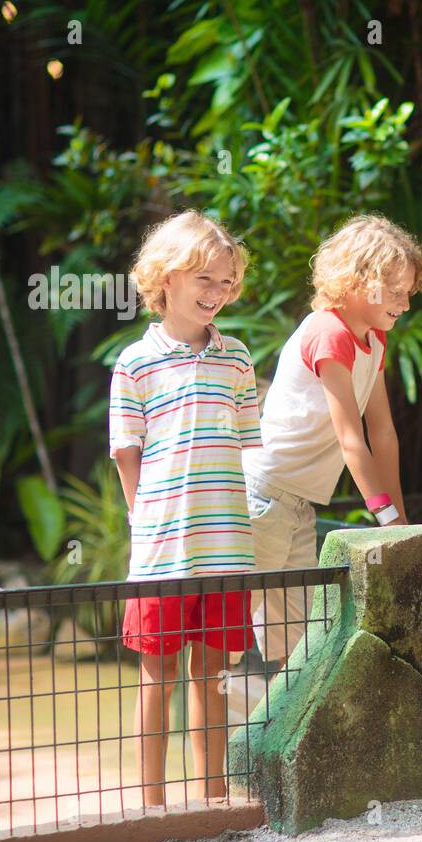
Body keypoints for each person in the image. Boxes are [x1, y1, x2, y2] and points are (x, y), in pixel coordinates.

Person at [109, 210, 261, 806]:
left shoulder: (238, 358)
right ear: (165, 278)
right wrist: (144, 524)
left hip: (228, 546)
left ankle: (214, 798)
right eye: (206, 280)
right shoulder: (134, 363)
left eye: (227, 283)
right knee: (156, 677)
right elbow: (128, 457)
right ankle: (151, 804)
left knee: (215, 677)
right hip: (161, 550)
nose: (218, 294)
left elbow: (249, 450)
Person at [242, 213, 422, 668]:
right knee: (228, 637)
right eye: (396, 290)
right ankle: (216, 734)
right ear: (358, 281)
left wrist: (400, 522)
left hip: (298, 504)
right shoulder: (328, 332)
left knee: (294, 650)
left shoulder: (375, 341)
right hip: (262, 498)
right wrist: (386, 516)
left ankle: (281, 740)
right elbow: (352, 440)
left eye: (409, 291)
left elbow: (382, 434)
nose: (405, 303)